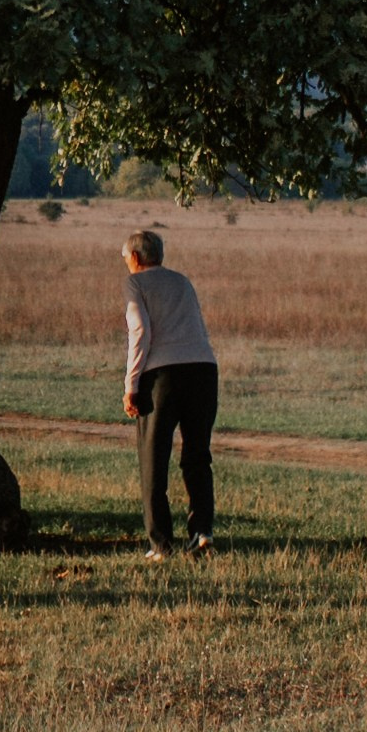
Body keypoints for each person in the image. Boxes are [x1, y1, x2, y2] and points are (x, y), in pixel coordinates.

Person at [123, 229, 218, 559]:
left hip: (162, 374)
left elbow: (140, 332)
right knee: (197, 455)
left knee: (153, 459)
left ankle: (161, 545)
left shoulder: (136, 283)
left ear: (135, 258)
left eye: (126, 259)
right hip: (204, 370)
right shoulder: (182, 281)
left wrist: (131, 386)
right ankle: (202, 531)